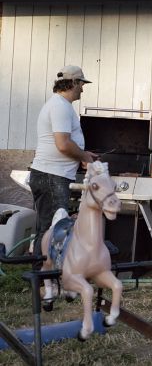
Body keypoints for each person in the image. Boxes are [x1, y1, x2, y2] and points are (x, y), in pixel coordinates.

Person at [28, 66, 98, 269]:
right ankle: (41, 280)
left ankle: (45, 276)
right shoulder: (59, 106)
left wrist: (84, 155)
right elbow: (63, 144)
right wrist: (84, 156)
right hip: (52, 176)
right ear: (73, 83)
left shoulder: (61, 105)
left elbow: (65, 143)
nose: (83, 90)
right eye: (82, 84)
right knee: (51, 228)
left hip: (54, 175)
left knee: (50, 227)